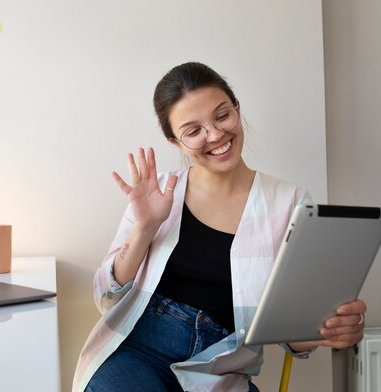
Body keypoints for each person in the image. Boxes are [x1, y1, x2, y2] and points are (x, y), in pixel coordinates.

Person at [73, 62, 366, 392]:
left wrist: (327, 328)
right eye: (193, 131)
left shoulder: (290, 203)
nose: (215, 135)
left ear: (237, 109)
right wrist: (144, 228)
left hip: (221, 369)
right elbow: (106, 298)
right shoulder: (158, 193)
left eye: (222, 116)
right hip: (139, 351)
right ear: (176, 142)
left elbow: (294, 338)